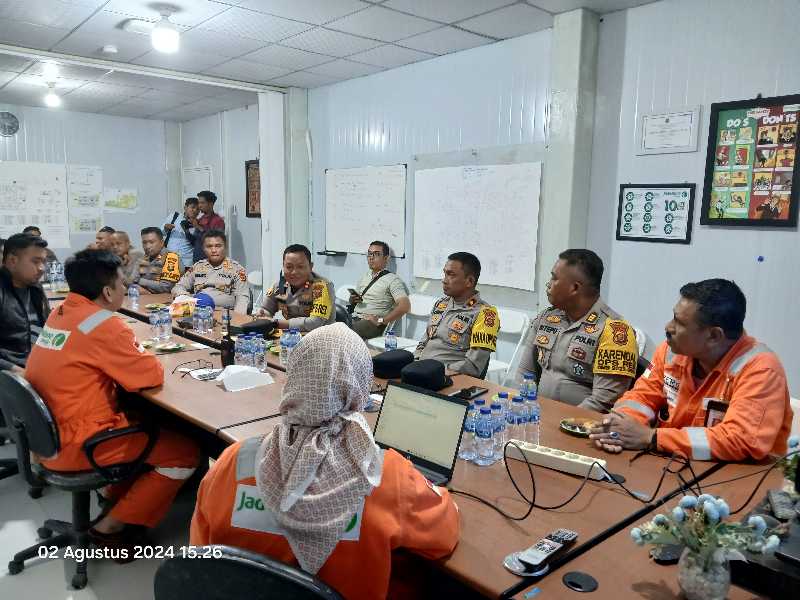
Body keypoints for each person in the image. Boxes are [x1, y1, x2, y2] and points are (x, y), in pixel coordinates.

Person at [190, 323, 459, 599]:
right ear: (361, 387)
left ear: (292, 378)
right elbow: (445, 534)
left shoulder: (233, 462)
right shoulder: (384, 473)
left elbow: (200, 553)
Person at [25, 249, 199, 551]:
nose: (125, 288)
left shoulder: (60, 312)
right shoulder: (103, 324)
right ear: (107, 291)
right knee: (185, 453)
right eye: (122, 284)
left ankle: (111, 494)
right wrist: (136, 349)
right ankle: (111, 527)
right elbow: (149, 376)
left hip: (45, 435)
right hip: (78, 442)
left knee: (143, 416)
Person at [590, 279, 792, 462]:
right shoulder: (670, 351)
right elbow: (640, 398)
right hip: (672, 464)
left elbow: (741, 440)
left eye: (679, 322)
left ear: (714, 336)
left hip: (737, 480)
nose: (668, 327)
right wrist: (618, 427)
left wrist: (651, 437)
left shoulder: (761, 369)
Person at [514, 250, 638, 413]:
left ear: (574, 288)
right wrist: (524, 412)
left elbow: (603, 403)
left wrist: (560, 424)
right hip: (537, 418)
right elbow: (524, 374)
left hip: (581, 428)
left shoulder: (615, 332)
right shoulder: (546, 317)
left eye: (554, 278)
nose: (549, 284)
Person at [415, 252, 499, 377]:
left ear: (469, 281)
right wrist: (415, 363)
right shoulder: (441, 304)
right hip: (420, 373)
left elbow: (473, 367)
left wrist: (435, 371)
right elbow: (423, 343)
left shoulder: (485, 314)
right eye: (445, 273)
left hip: (447, 379)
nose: (444, 280)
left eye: (451, 275)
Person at [0, 234, 51, 372]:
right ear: (12, 260)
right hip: (10, 375)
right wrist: (13, 370)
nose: (42, 268)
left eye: (43, 262)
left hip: (37, 365)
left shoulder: (35, 288)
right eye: (35, 261)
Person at [256, 244, 335, 332]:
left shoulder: (321, 287)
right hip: (291, 337)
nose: (294, 272)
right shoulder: (279, 286)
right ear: (283, 266)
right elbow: (267, 309)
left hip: (321, 338)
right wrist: (263, 315)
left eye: (300, 267)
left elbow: (314, 323)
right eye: (289, 267)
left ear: (311, 267)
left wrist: (277, 323)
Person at [172, 230, 249, 313]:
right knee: (167, 316)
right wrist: (186, 297)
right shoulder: (197, 267)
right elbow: (178, 287)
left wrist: (237, 321)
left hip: (222, 313)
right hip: (196, 310)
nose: (214, 250)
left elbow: (242, 298)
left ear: (225, 247)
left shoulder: (237, 269)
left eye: (218, 246)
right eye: (209, 246)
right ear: (203, 249)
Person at [349, 241, 411, 339]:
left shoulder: (393, 280)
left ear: (386, 258)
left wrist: (381, 320)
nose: (371, 257)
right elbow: (354, 303)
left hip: (371, 324)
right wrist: (352, 300)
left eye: (376, 254)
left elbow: (405, 306)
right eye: (369, 254)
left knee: (345, 331)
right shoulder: (364, 277)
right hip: (354, 317)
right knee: (330, 325)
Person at [130, 227, 183, 294]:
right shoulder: (144, 258)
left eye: (151, 242)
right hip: (145, 298)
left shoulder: (170, 258)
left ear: (162, 243)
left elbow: (166, 287)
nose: (147, 246)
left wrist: (138, 280)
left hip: (165, 300)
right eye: (144, 243)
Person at [164, 197, 199, 269]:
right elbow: (160, 233)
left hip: (187, 262)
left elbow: (197, 243)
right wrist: (166, 228)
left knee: (185, 280)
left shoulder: (199, 224)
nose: (195, 210)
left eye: (198, 209)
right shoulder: (174, 216)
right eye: (192, 207)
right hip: (170, 259)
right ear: (185, 208)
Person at [193, 191, 225, 263]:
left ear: (210, 204)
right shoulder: (200, 219)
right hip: (197, 260)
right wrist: (186, 231)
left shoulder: (218, 221)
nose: (199, 206)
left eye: (202, 203)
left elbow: (216, 242)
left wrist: (199, 228)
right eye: (199, 203)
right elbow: (196, 240)